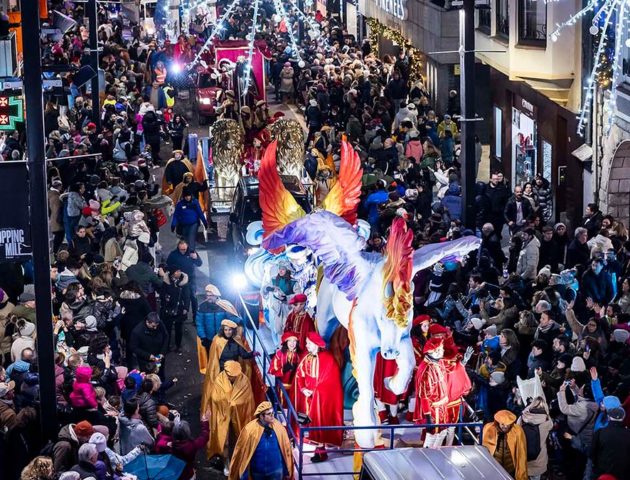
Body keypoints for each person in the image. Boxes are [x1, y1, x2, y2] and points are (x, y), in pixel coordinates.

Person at [293, 331, 343, 462]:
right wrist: (303, 389)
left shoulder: (328, 358)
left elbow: (330, 381)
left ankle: (321, 451)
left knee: (321, 421)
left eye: (309, 343)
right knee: (308, 422)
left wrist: (316, 391)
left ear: (316, 344)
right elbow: (300, 375)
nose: (307, 346)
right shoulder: (307, 357)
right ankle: (315, 447)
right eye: (306, 343)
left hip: (322, 398)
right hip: (308, 398)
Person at [205, 361, 255, 477]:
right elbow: (215, 398)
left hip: (239, 414)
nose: (234, 378)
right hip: (223, 415)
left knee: (240, 438)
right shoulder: (219, 380)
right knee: (225, 441)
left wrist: (235, 403)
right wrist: (228, 403)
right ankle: (226, 462)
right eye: (232, 376)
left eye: (236, 375)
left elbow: (247, 399)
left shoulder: (244, 380)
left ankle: (242, 461)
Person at [229, 401, 294, 480]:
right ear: (261, 416)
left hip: (276, 471)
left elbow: (285, 450)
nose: (272, 416)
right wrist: (244, 474)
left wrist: (287, 470)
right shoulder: (250, 430)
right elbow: (243, 453)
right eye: (269, 414)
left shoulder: (279, 428)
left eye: (273, 413)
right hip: (258, 472)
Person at [200, 318, 256, 387]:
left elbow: (243, 354)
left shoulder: (236, 340)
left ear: (233, 330)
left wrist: (252, 353)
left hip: (234, 372)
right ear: (223, 330)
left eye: (230, 330)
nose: (228, 332)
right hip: (222, 371)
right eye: (225, 330)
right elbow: (214, 359)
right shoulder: (217, 341)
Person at [196, 284, 241, 362]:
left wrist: (239, 321)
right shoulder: (202, 307)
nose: (208, 297)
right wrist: (203, 337)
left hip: (222, 338)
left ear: (216, 295)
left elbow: (230, 318)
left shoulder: (224, 305)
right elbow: (200, 324)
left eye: (211, 295)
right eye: (207, 295)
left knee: (224, 358)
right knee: (211, 360)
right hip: (209, 339)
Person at [482, 410, 528, 480]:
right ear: (498, 422)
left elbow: (521, 455)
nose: (506, 426)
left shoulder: (517, 431)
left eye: (508, 424)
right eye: (503, 424)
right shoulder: (489, 429)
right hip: (495, 470)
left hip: (510, 470)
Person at [590, 406, 630, 479]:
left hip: (603, 472)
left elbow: (591, 453)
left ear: (608, 417)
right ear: (623, 418)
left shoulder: (600, 432)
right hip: (624, 473)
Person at [171, 409, 211, 480]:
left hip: (176, 473)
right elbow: (204, 437)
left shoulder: (171, 445)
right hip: (188, 474)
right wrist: (205, 422)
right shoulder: (191, 445)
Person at [159, 267, 190, 352]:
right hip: (168, 309)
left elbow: (187, 296)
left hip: (179, 308)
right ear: (173, 273)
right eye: (177, 271)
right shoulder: (166, 282)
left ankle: (178, 345)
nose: (179, 272)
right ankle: (166, 346)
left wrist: (186, 308)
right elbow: (162, 294)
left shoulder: (183, 282)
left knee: (179, 329)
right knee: (167, 329)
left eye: (180, 271)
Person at [128, 312, 168, 377]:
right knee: (149, 378)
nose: (155, 328)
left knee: (160, 374)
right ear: (147, 322)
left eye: (157, 326)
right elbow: (133, 347)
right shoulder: (137, 332)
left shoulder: (159, 324)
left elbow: (166, 336)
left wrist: (162, 353)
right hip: (146, 361)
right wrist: (148, 356)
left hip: (159, 357)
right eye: (153, 326)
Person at [269, 332, 302, 407]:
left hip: (296, 388)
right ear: (286, 342)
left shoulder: (299, 355)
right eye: (290, 341)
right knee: (283, 407)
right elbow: (272, 370)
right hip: (283, 387)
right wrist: (283, 369)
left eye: (294, 341)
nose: (292, 343)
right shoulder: (280, 354)